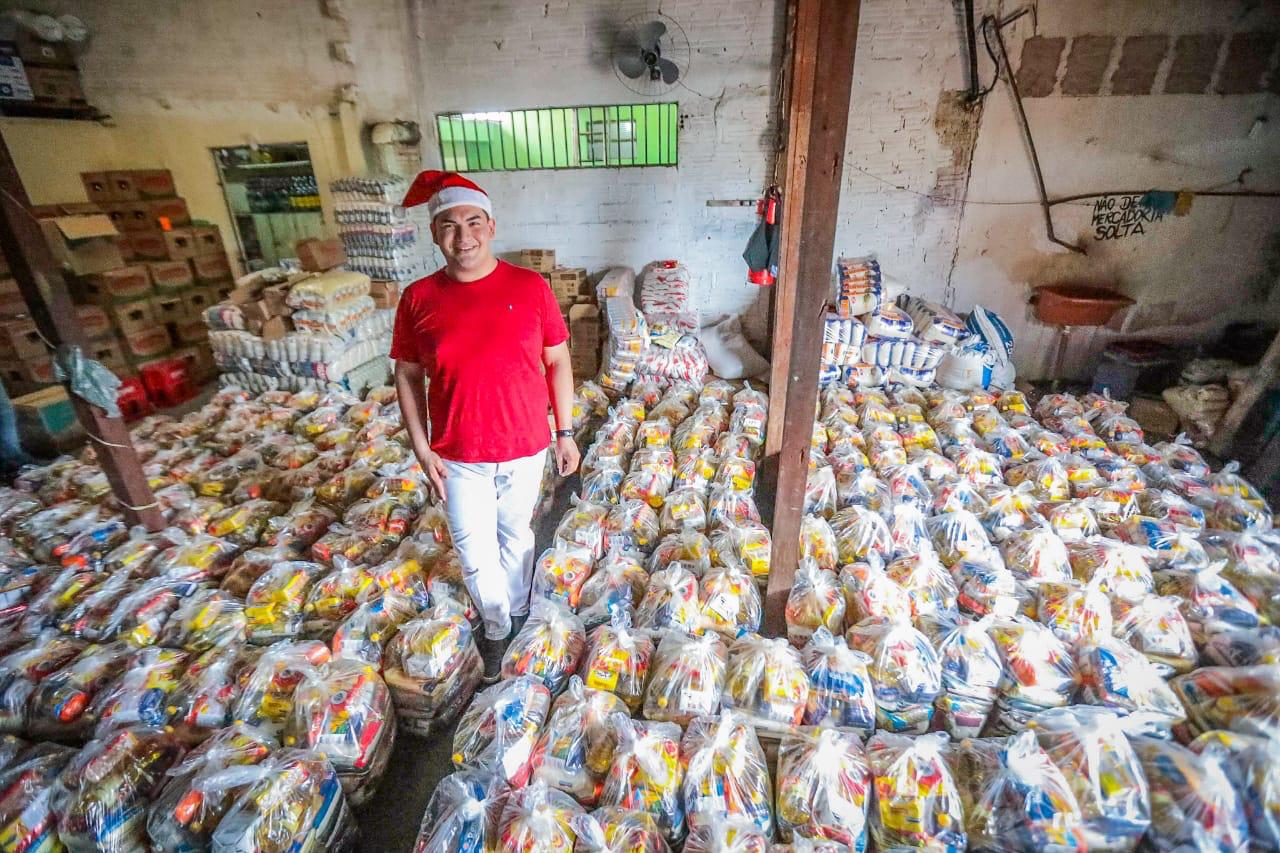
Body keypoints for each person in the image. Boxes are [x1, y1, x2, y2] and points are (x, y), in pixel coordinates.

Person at [391, 170, 579, 682]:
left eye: (473, 222)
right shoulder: (418, 299)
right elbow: (407, 375)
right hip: (456, 453)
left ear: (492, 226)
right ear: (434, 234)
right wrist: (421, 447)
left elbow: (558, 360)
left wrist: (565, 431)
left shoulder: (530, 286)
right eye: (449, 226)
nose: (463, 236)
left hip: (524, 446)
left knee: (517, 537)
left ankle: (516, 612)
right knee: (474, 552)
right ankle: (498, 628)